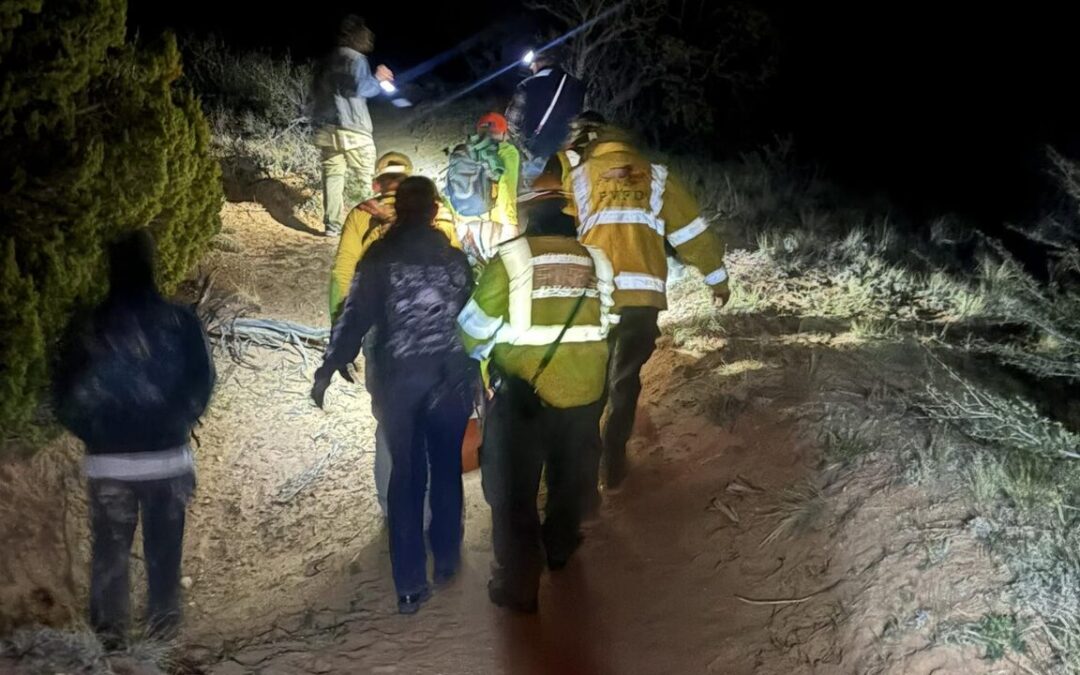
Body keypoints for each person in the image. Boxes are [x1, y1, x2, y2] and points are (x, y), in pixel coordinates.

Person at [312, 176, 476, 615]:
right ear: (434, 211)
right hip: (450, 381)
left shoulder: (379, 257)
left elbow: (354, 316)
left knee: (406, 475)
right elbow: (473, 321)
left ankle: (409, 586)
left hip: (399, 383)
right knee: (446, 469)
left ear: (398, 210)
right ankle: (446, 560)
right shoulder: (456, 261)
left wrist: (329, 366)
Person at [458, 173, 615, 613]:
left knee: (514, 492)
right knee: (570, 479)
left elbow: (472, 331)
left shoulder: (511, 259)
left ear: (528, 214)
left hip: (523, 395)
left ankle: (520, 585)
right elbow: (611, 323)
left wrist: (492, 352)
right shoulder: (597, 260)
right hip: (585, 391)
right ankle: (560, 550)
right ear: (565, 213)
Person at [54, 230, 215, 646]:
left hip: (109, 463)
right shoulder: (180, 321)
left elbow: (64, 396)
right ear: (151, 265)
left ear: (109, 267)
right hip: (167, 459)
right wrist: (178, 422)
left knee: (110, 553)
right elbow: (202, 383)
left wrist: (95, 436)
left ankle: (110, 641)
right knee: (165, 552)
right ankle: (162, 636)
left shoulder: (88, 326)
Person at [565, 128, 730, 491]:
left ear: (591, 148)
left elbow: (559, 232)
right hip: (642, 299)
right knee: (624, 380)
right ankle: (614, 465)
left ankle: (582, 470)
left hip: (594, 299)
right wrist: (717, 278)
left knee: (590, 381)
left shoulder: (577, 177)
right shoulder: (657, 177)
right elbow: (691, 234)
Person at [328, 152, 459, 520]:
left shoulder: (362, 214)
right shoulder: (440, 213)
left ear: (377, 182)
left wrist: (342, 337)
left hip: (384, 337)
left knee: (390, 421)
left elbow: (343, 275)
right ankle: (433, 511)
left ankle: (394, 510)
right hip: (436, 337)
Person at [311, 15, 395, 237]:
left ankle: (332, 226)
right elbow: (360, 88)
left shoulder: (327, 60)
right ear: (358, 36)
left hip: (327, 130)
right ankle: (369, 227)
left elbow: (316, 94)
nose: (370, 38)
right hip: (354, 130)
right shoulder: (355, 58)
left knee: (333, 177)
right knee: (364, 179)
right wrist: (378, 79)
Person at [451, 113, 523, 267]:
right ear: (504, 133)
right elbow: (506, 186)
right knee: (498, 269)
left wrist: (459, 219)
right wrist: (511, 224)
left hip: (465, 219)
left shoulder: (465, 150)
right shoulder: (507, 151)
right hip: (494, 220)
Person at [505, 49, 584, 187]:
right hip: (567, 156)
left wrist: (521, 145)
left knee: (537, 195)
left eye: (532, 64)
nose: (531, 68)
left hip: (536, 154)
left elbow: (512, 122)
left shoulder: (526, 85)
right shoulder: (577, 86)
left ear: (538, 63)